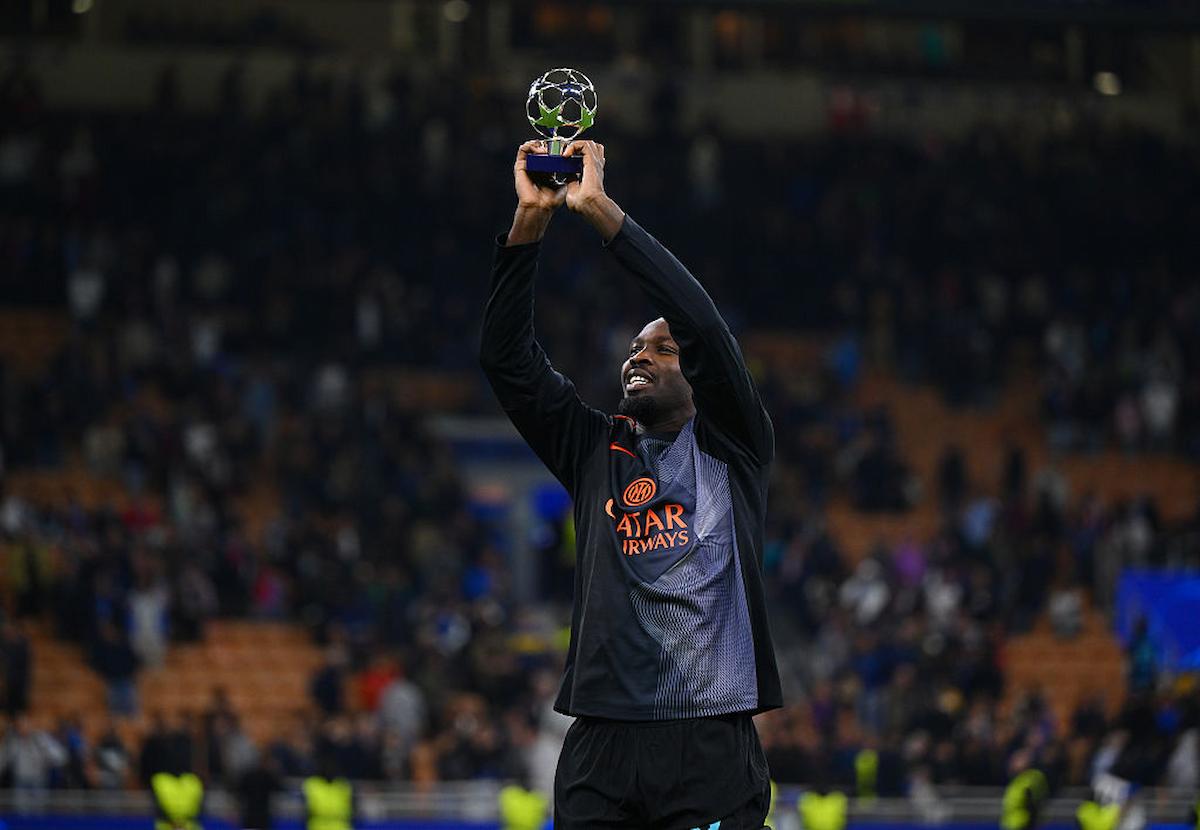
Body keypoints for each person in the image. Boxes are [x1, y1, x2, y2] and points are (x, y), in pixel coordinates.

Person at [481, 138, 780, 828]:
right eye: (635, 347)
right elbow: (506, 361)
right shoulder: (594, 450)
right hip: (600, 744)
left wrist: (600, 212)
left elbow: (702, 325)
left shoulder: (734, 445)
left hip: (707, 737)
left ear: (697, 374)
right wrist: (529, 224)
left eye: (661, 349)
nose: (638, 356)